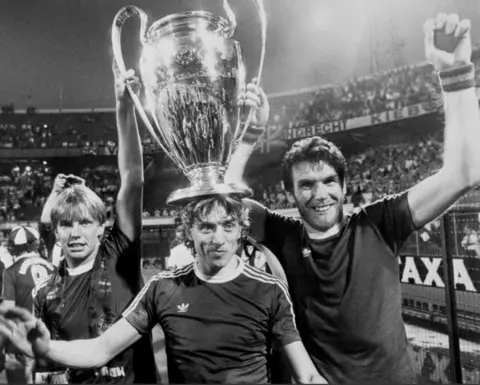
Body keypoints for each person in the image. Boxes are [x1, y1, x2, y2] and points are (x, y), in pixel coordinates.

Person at [226, 13, 480, 384]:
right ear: (290, 192)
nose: (320, 194)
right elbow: (228, 203)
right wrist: (251, 135)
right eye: (307, 184)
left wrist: (456, 74)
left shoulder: (379, 222)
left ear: (345, 186)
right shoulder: (283, 235)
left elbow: (464, 174)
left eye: (329, 181)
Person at [0, 195, 327, 384]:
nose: (218, 238)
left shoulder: (269, 290)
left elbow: (307, 376)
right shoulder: (164, 288)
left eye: (228, 226)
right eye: (207, 227)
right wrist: (45, 348)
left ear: (241, 230)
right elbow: (100, 350)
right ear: (190, 232)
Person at [21, 62, 159, 384]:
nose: (76, 233)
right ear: (56, 232)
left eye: (85, 223)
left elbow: (133, 180)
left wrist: (123, 104)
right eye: (67, 225)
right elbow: (47, 368)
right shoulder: (46, 293)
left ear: (101, 226)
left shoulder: (119, 253)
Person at [0, 226, 55, 384]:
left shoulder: (11, 272)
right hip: (49, 346)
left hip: (19, 348)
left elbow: (8, 314)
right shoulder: (53, 269)